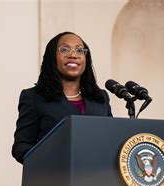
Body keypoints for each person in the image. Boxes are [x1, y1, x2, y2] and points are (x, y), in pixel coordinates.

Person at [12, 32, 112, 164]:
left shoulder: (100, 98)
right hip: (53, 180)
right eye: (64, 49)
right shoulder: (33, 97)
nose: (73, 55)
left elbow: (111, 139)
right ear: (52, 58)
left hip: (96, 179)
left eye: (79, 50)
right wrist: (52, 160)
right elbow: (21, 147)